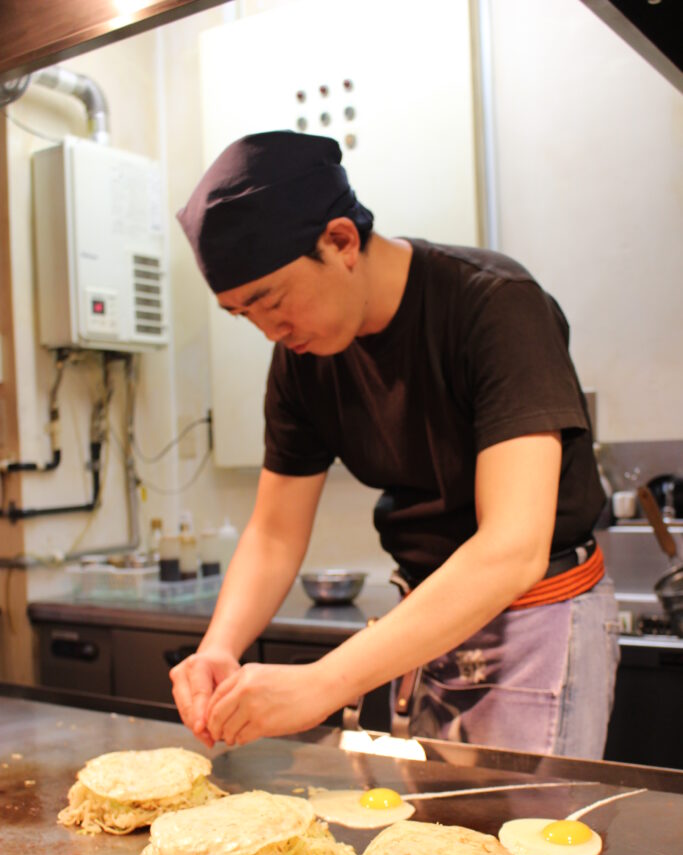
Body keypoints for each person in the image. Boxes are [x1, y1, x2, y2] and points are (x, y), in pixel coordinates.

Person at [170, 129, 619, 758]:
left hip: (534, 617)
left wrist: (325, 682)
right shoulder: (302, 354)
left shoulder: (493, 306)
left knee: (523, 849)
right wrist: (219, 646)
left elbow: (510, 549)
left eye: (270, 301)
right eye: (244, 315)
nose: (270, 330)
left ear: (341, 241)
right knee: (440, 849)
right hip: (426, 621)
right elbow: (273, 533)